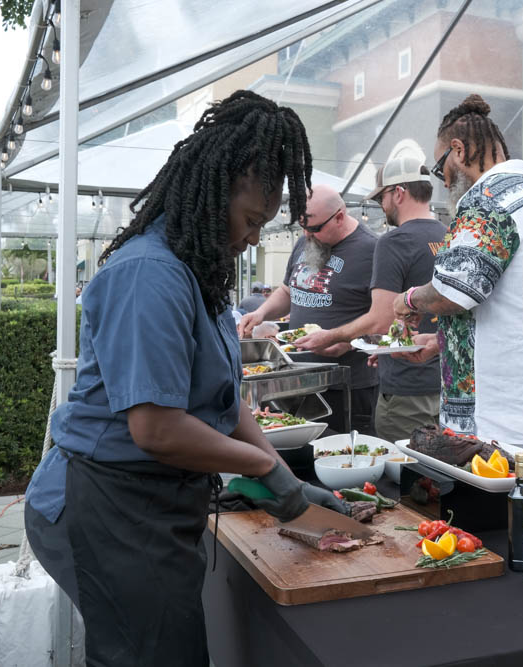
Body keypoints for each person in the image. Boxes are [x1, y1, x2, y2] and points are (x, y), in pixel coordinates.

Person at [23, 91, 347, 666]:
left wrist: (278, 469)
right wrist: (264, 469)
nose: (253, 239)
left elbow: (223, 397)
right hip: (106, 502)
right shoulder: (150, 273)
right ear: (217, 189)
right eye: (252, 220)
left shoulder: (197, 269)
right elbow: (156, 429)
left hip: (149, 501)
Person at [391, 94, 523, 523]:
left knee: (501, 534)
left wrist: (407, 299)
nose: (442, 178)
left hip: (508, 408)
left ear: (458, 150)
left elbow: (452, 293)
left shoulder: (488, 201)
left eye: (440, 166)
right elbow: (518, 304)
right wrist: (440, 342)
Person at [293, 156, 445, 442]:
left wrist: (329, 337)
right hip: (445, 383)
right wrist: (383, 346)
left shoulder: (394, 242)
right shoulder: (448, 236)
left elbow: (380, 319)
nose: (381, 205)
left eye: (381, 198)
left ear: (398, 193)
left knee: (402, 465)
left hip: (405, 388)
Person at [238, 184, 379, 433]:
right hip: (298, 379)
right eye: (302, 226)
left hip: (346, 385)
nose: (306, 234)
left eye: (313, 228)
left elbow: (386, 317)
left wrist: (347, 342)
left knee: (339, 448)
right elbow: (287, 291)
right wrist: (261, 313)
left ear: (339, 217)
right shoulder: (305, 241)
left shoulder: (372, 250)